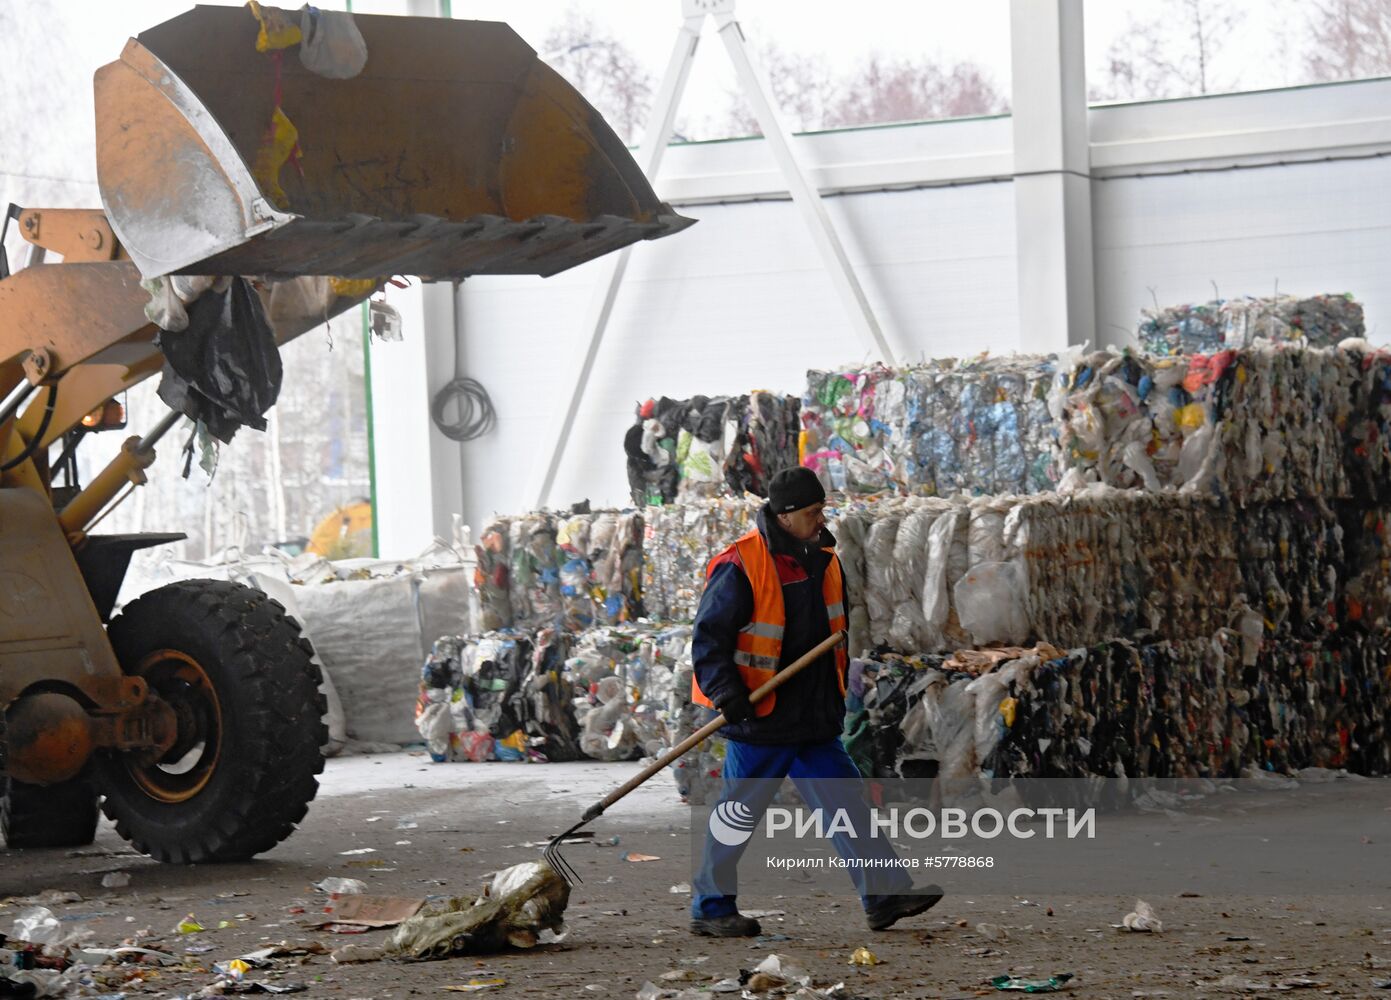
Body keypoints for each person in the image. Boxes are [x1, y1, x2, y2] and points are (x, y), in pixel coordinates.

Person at [688, 466, 944, 937]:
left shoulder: (824, 559)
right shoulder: (740, 564)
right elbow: (708, 639)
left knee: (847, 803)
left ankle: (883, 894)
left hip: (813, 714)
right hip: (762, 716)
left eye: (822, 509)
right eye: (812, 512)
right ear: (784, 516)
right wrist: (726, 693)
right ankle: (711, 908)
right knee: (737, 814)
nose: (821, 518)